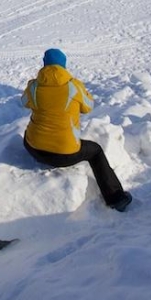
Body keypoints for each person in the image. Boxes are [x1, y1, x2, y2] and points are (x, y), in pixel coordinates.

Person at [21, 49, 134, 212]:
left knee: (30, 131)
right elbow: (88, 106)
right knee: (95, 152)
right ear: (63, 65)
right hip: (65, 154)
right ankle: (116, 198)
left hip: (33, 148)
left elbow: (24, 102)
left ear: (44, 63)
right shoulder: (73, 86)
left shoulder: (34, 86)